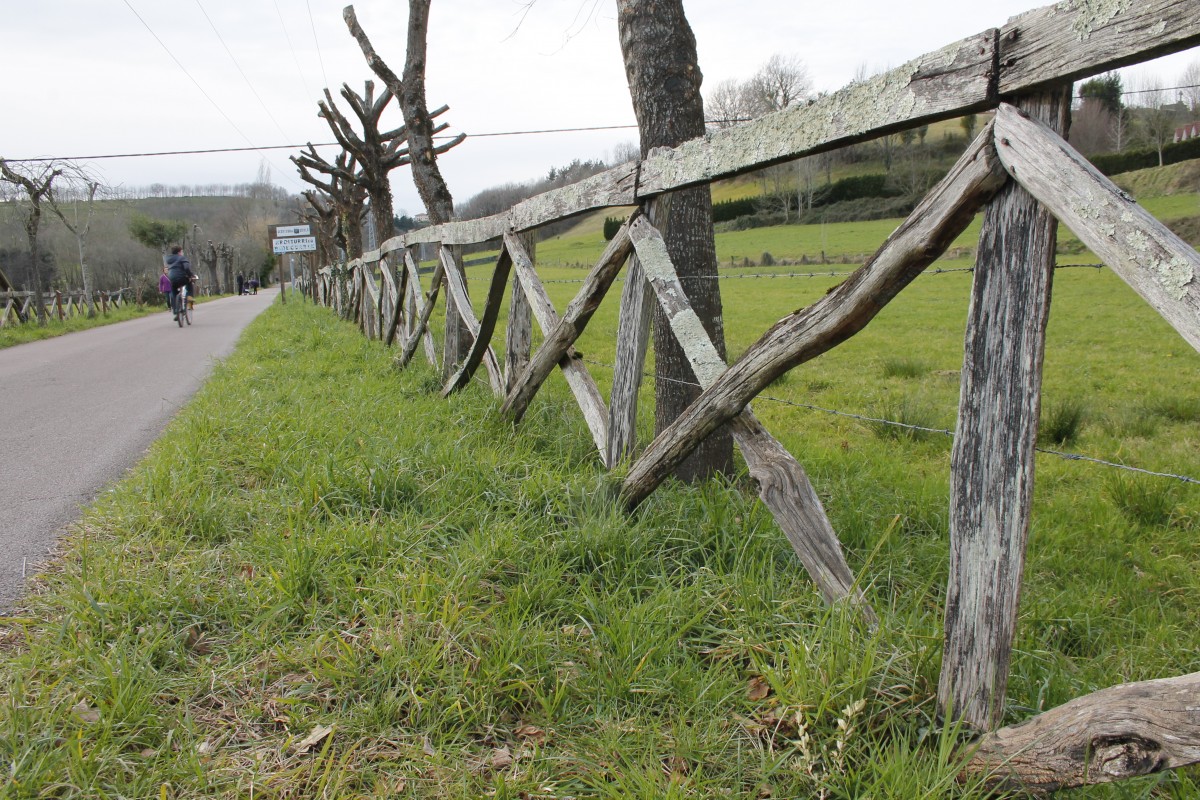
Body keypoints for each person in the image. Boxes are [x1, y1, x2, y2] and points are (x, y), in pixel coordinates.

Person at [164, 245, 196, 320]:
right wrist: (191, 276)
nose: (182, 253)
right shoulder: (182, 258)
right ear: (179, 252)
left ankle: (176, 310)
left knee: (173, 292)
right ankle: (190, 301)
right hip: (182, 277)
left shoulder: (168, 259)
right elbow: (187, 268)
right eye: (182, 251)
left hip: (171, 278)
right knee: (189, 284)